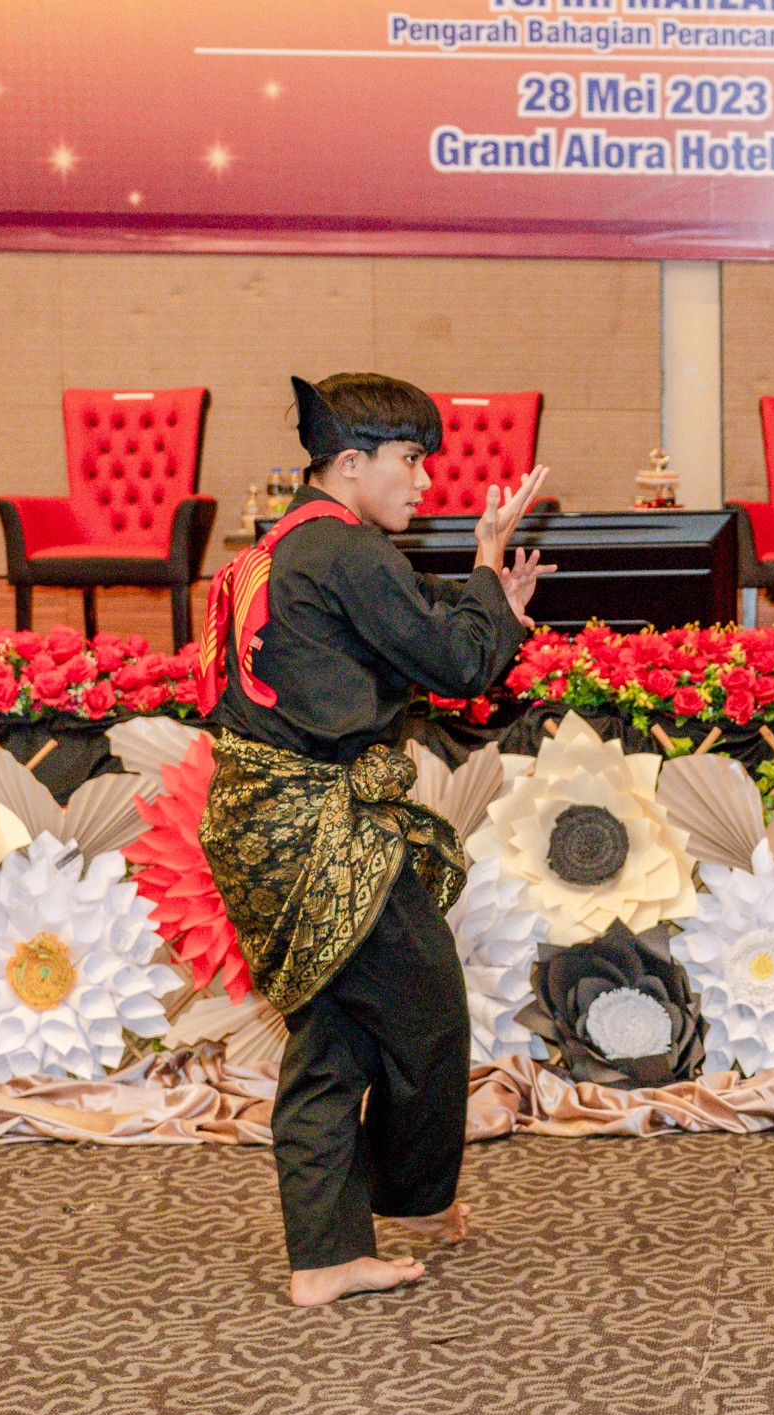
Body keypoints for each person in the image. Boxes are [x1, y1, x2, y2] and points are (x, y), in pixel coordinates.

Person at [197, 373, 554, 1308]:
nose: (425, 481)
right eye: (410, 460)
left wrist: (488, 596)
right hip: (324, 830)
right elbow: (457, 660)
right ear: (350, 462)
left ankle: (329, 1253)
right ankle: (413, 1204)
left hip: (263, 825)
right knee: (428, 1017)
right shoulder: (346, 550)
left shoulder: (283, 543)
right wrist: (489, 573)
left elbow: (426, 624)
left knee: (334, 1040)